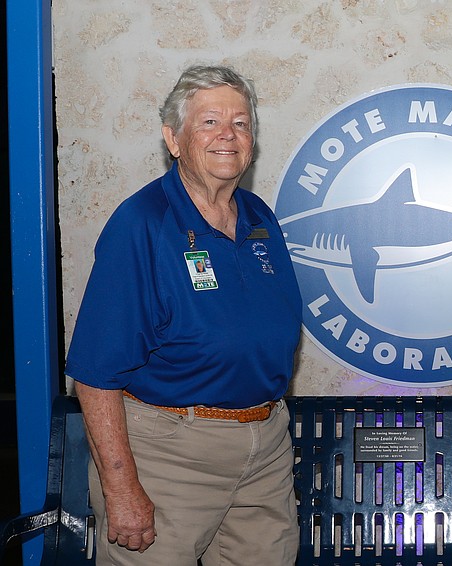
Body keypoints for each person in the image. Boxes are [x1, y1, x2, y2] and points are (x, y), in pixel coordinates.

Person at [65, 65, 303, 565]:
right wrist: (122, 488)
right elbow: (94, 374)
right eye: (209, 122)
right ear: (173, 139)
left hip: (265, 451)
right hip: (169, 457)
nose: (227, 136)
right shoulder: (142, 225)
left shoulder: (260, 218)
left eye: (240, 123)